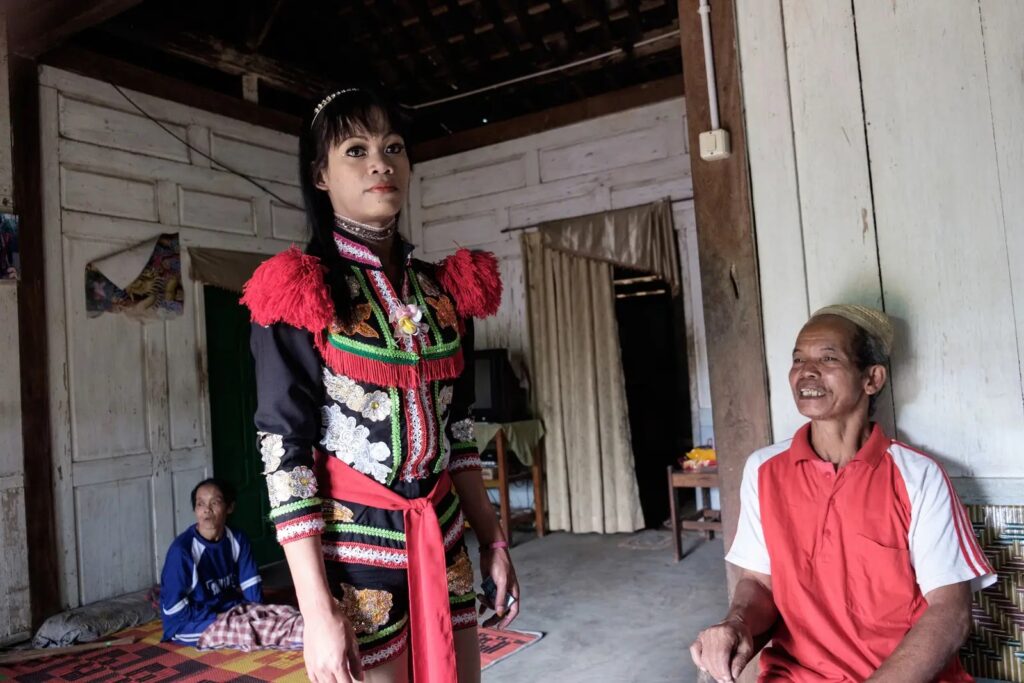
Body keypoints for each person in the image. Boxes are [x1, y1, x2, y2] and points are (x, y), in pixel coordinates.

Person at [241, 87, 519, 683]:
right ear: (320, 175)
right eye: (356, 150)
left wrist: (494, 541)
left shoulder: (445, 291)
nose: (380, 164)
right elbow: (285, 457)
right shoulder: (299, 294)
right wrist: (315, 611)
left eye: (393, 148)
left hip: (445, 537)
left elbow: (458, 430)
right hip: (356, 558)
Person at [690, 304, 996, 683]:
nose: (807, 371)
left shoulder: (917, 477)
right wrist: (736, 623)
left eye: (828, 357)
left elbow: (950, 615)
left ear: (872, 378)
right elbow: (761, 583)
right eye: (798, 359)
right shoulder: (763, 470)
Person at [159, 478, 303, 650]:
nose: (207, 509)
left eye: (215, 502)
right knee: (247, 630)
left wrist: (256, 612)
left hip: (229, 608)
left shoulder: (237, 539)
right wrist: (219, 617)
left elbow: (252, 589)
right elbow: (173, 610)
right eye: (200, 504)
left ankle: (314, 627)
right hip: (189, 623)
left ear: (229, 507)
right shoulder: (182, 551)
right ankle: (308, 638)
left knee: (281, 613)